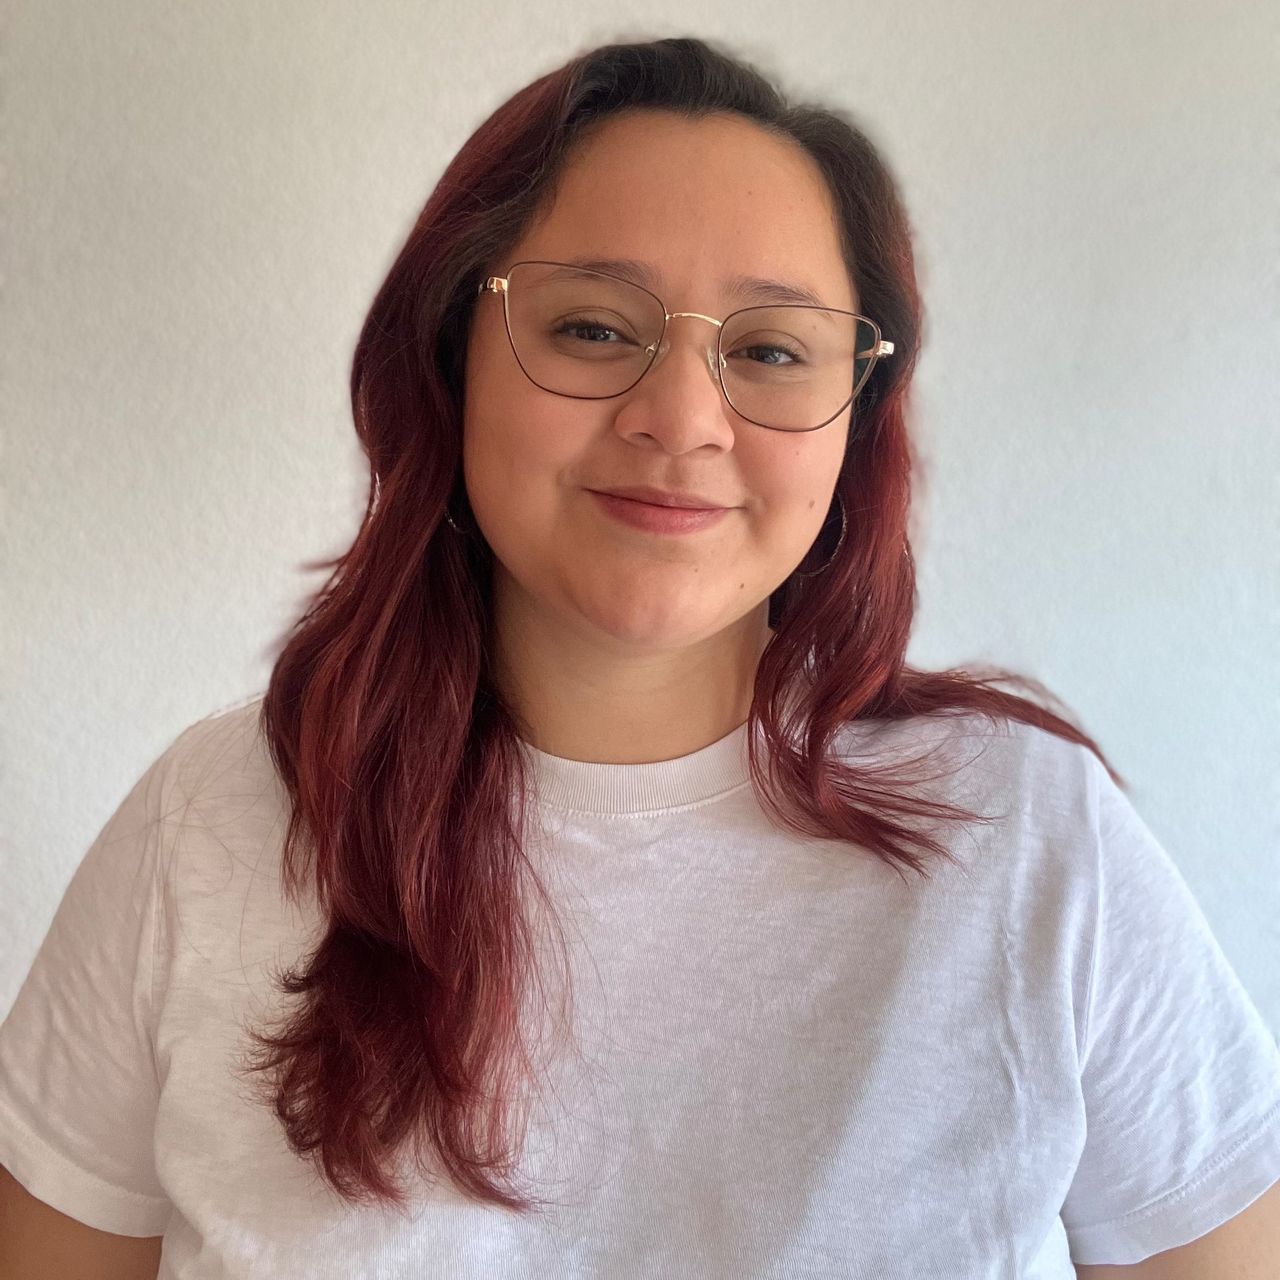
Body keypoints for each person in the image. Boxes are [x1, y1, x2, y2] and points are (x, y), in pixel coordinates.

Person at [2, 34, 1278, 1280]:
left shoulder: (1025, 834)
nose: (679, 416)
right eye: (592, 328)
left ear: (855, 416)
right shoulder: (211, 824)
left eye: (769, 350)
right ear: (450, 358)